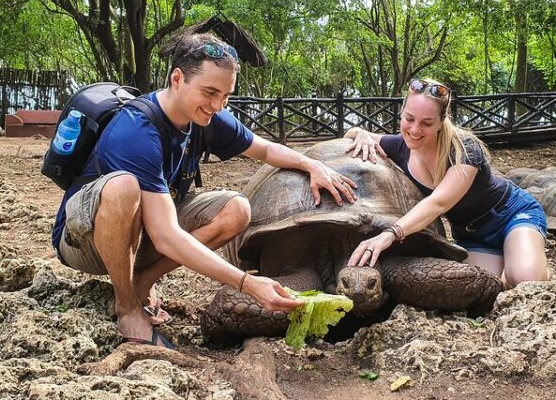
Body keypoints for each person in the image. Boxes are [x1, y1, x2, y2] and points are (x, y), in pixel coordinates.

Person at [51, 33, 358, 348]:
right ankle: (127, 306)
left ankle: (142, 282)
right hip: (86, 240)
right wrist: (247, 283)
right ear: (177, 78)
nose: (217, 105)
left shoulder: (205, 118)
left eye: (226, 95)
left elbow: (264, 150)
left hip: (143, 232)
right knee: (122, 187)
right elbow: (166, 236)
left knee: (236, 209)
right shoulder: (136, 130)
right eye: (210, 92)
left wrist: (312, 166)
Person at [344, 78, 548, 288]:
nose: (414, 130)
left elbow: (438, 204)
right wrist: (361, 134)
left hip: (510, 214)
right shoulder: (399, 146)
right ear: (402, 112)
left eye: (426, 123)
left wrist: (390, 234)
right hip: (470, 235)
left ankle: (534, 264)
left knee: (526, 279)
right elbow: (349, 134)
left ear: (442, 121)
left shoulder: (464, 149)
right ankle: (514, 261)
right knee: (485, 289)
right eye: (409, 118)